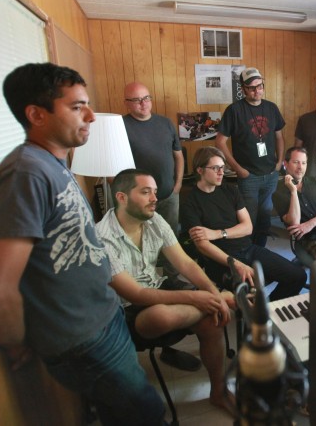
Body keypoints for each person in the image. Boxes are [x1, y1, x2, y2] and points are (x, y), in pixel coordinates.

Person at [0, 63, 166, 426]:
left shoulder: (54, 163)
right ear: (36, 114)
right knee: (147, 415)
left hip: (103, 320)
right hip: (82, 339)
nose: (90, 115)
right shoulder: (24, 174)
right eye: (77, 107)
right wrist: (17, 342)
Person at [95, 169, 236, 416]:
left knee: (212, 321)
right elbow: (136, 295)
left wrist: (210, 293)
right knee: (161, 316)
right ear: (121, 197)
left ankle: (219, 391)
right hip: (126, 311)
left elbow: (186, 264)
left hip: (158, 287)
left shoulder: (154, 219)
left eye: (155, 192)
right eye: (145, 192)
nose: (154, 198)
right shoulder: (101, 238)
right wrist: (202, 297)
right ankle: (222, 300)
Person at [122, 81, 194, 371]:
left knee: (171, 244)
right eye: (136, 100)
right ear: (127, 103)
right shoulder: (121, 127)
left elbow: (178, 155)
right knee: (142, 252)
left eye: (147, 98)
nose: (143, 104)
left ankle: (172, 289)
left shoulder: (165, 124)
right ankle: (153, 300)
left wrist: (177, 184)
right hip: (138, 204)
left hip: (167, 196)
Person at [181, 146, 306, 301]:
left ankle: (270, 310)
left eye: (222, 167)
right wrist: (236, 264)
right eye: (215, 168)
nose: (221, 172)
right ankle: (256, 316)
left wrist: (218, 233)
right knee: (250, 292)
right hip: (220, 260)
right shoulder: (190, 202)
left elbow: (247, 227)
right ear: (199, 170)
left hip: (248, 248)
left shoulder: (230, 190)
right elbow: (202, 245)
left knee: (298, 275)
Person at [215, 67, 284, 247]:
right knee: (249, 220)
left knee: (265, 218)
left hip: (270, 174)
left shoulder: (271, 107)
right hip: (248, 176)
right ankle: (247, 254)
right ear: (243, 88)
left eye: (260, 86)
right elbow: (220, 142)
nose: (257, 91)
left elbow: (279, 136)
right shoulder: (234, 110)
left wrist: (279, 163)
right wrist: (238, 169)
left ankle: (260, 253)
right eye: (252, 88)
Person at [273, 147, 316, 266]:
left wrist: (310, 224)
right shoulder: (278, 192)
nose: (300, 167)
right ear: (285, 164)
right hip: (314, 239)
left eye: (303, 163)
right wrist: (293, 191)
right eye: (296, 162)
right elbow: (294, 222)